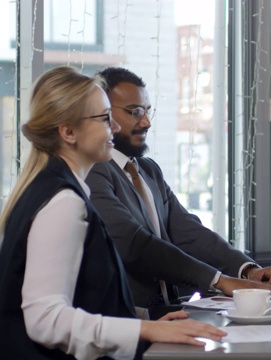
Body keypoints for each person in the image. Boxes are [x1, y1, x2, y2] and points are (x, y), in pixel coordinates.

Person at [0, 66, 226, 359]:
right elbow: (45, 321)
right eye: (105, 118)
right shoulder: (64, 202)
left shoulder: (52, 188)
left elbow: (83, 300)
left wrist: (141, 325)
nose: (116, 128)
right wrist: (143, 331)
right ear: (68, 132)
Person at [85, 67, 271, 314]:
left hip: (171, 312)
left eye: (147, 111)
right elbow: (135, 244)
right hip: (126, 319)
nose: (146, 122)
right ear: (103, 113)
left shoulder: (148, 170)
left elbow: (188, 232)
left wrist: (246, 269)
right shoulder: (93, 172)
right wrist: (218, 280)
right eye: (134, 112)